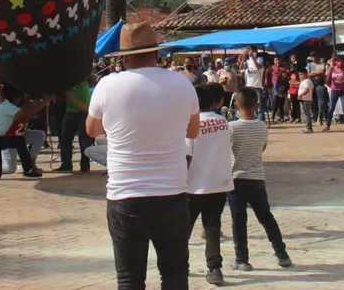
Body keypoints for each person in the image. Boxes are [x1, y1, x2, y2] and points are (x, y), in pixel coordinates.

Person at [86, 21, 200, 290]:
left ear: (123, 58)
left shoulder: (107, 85)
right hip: (171, 194)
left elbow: (92, 130)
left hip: (125, 195)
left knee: (129, 278)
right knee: (174, 274)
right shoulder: (181, 83)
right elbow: (193, 131)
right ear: (156, 53)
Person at [227, 89, 291, 271]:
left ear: (236, 106)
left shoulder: (232, 127)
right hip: (256, 178)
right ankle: (281, 254)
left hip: (236, 179)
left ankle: (242, 259)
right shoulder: (262, 126)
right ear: (257, 106)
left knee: (239, 221)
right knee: (266, 217)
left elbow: (227, 150)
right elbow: (261, 148)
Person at [185, 83, 232, 286]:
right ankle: (215, 269)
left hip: (193, 186)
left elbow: (186, 157)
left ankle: (180, 265)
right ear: (214, 102)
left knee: (182, 230)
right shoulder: (223, 122)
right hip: (218, 184)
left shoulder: (190, 126)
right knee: (212, 227)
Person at [55, 78, 94, 173]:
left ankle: (85, 166)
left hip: (82, 112)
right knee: (65, 139)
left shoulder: (83, 83)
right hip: (70, 110)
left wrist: (75, 100)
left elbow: (86, 108)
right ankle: (66, 164)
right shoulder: (68, 84)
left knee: (84, 140)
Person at [324, 54, 344, 130]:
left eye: (341, 61)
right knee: (331, 107)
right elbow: (328, 80)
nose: (340, 62)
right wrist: (330, 70)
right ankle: (328, 125)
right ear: (335, 61)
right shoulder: (332, 68)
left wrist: (343, 80)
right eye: (338, 61)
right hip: (334, 90)